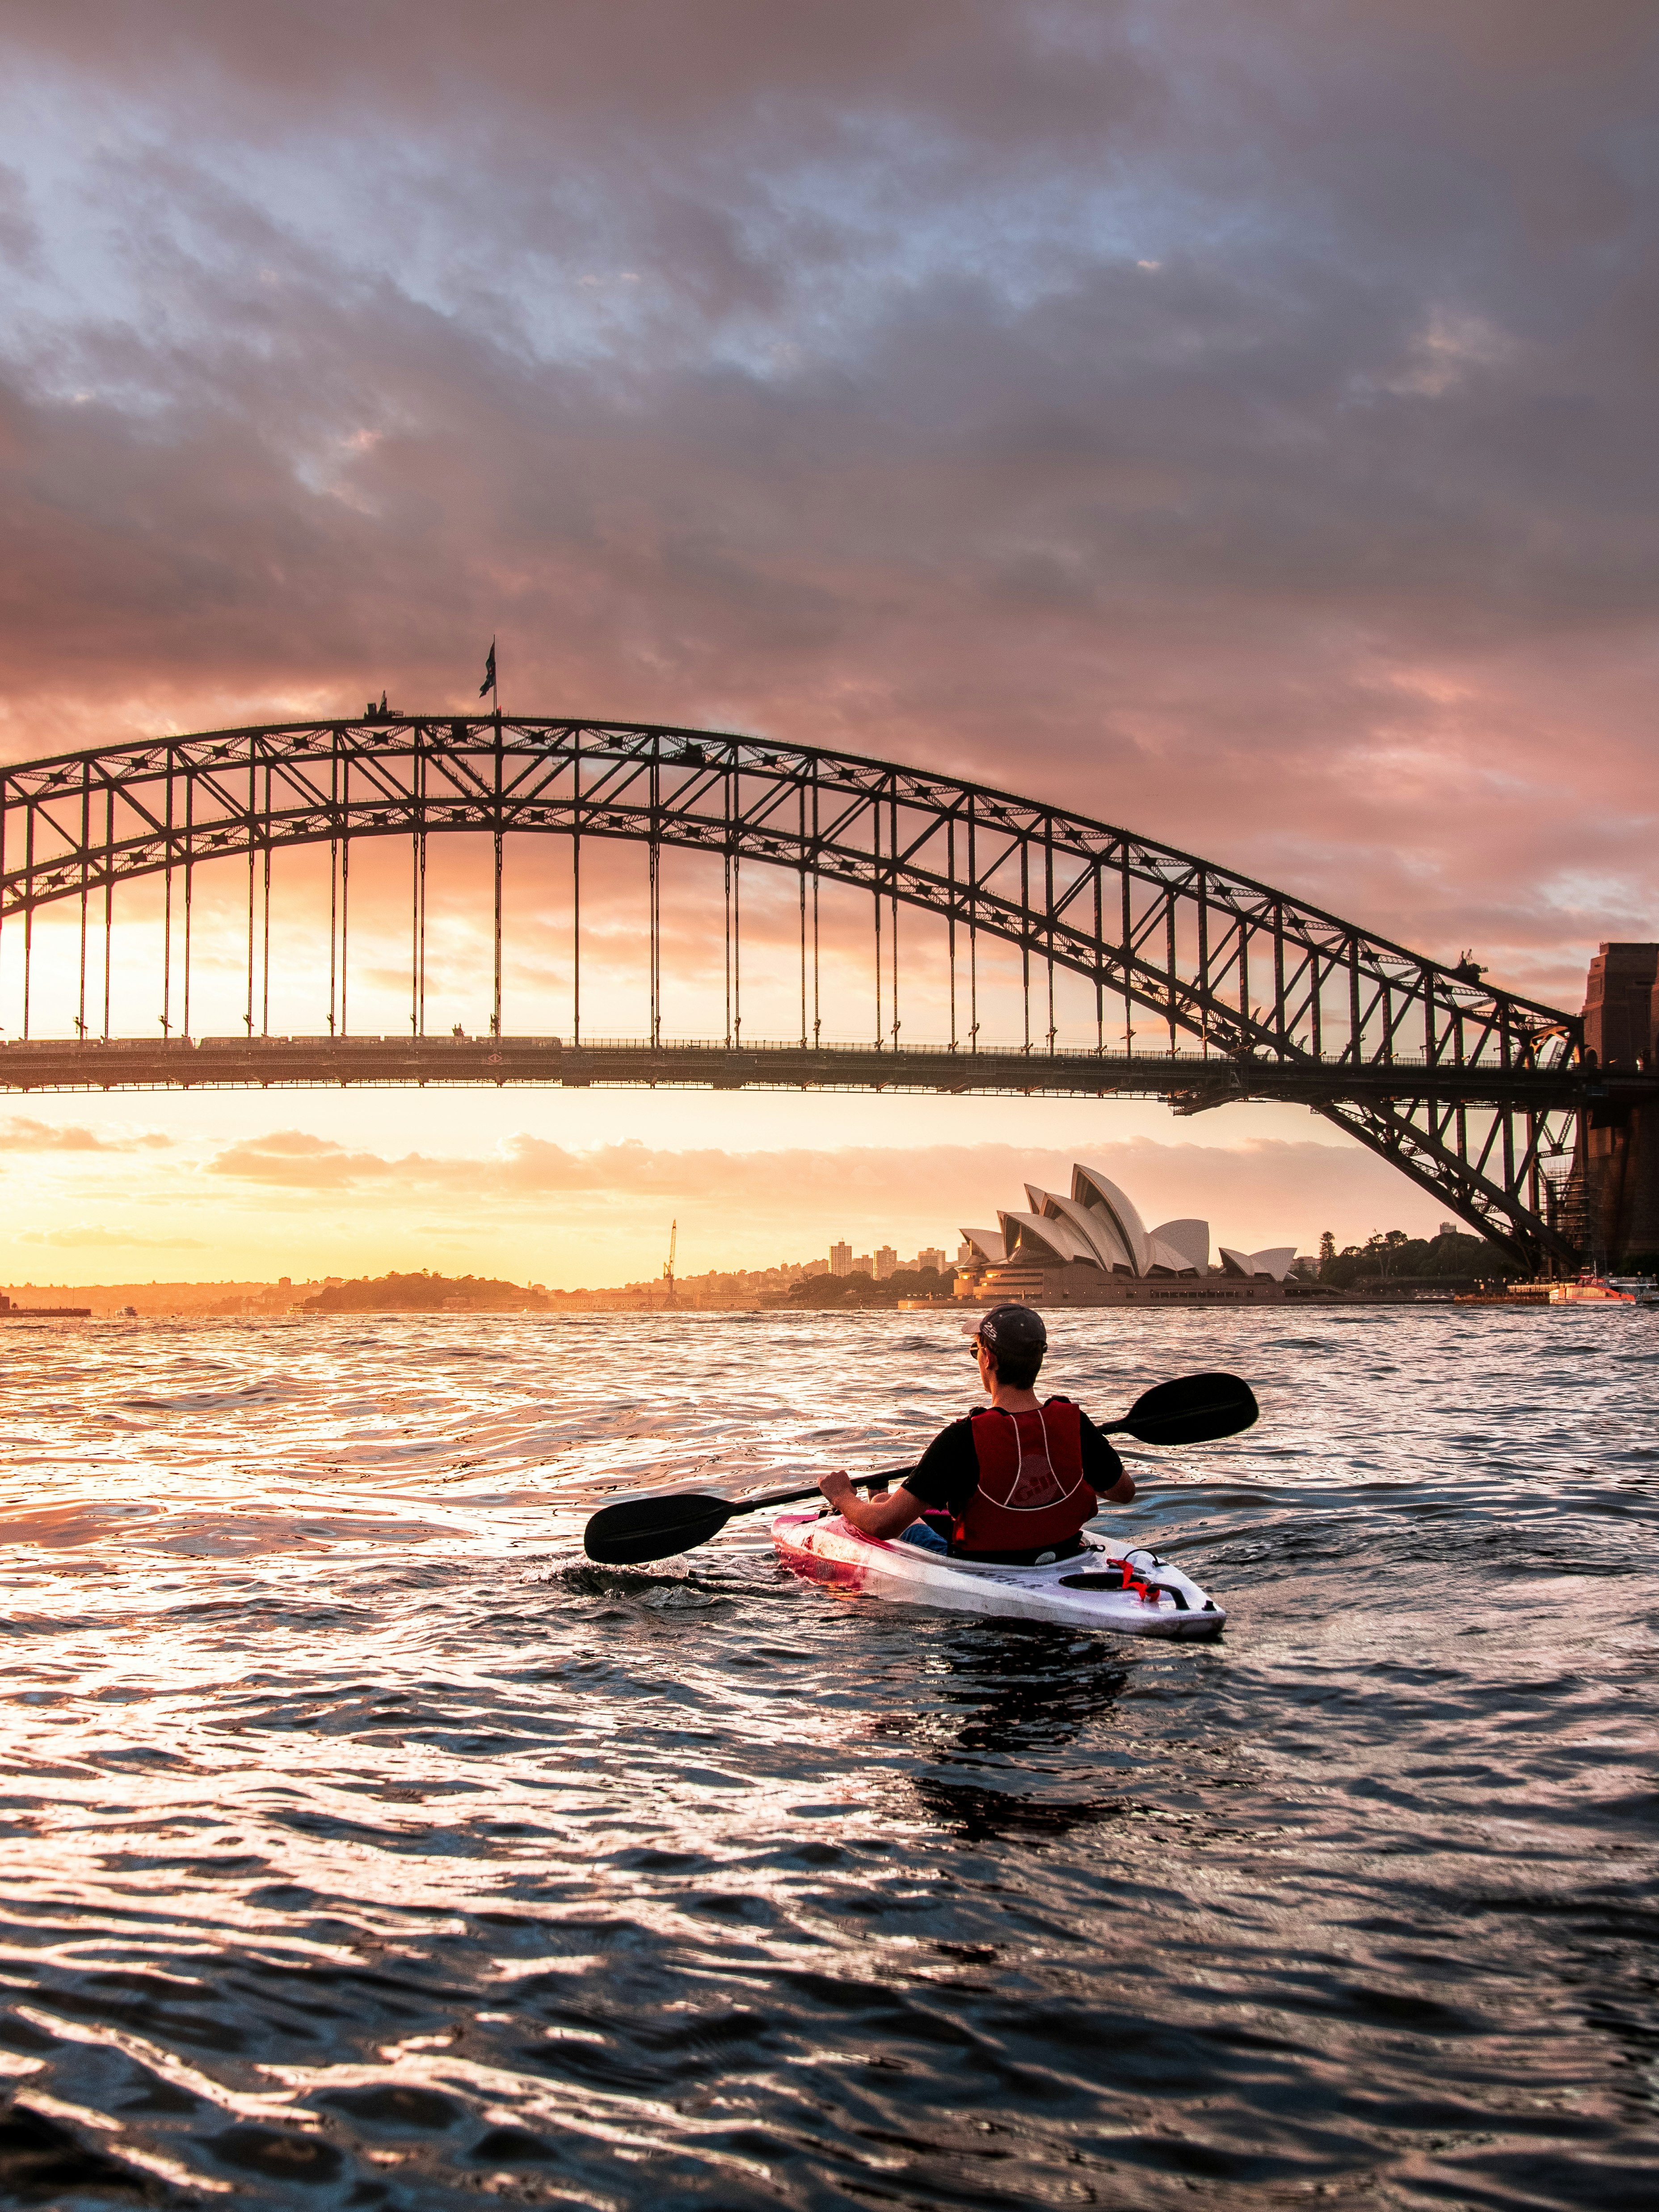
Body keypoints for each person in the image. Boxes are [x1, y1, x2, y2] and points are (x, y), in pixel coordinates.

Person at [817, 1304, 1136, 1565]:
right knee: (896, 1503)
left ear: (989, 1359)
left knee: (885, 1505)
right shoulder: (1075, 1423)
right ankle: (878, 1498)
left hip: (981, 1564)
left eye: (976, 1350)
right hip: (1063, 1555)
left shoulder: (962, 1438)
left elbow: (883, 1526)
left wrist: (842, 1495)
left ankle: (873, 1498)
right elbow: (1124, 1493)